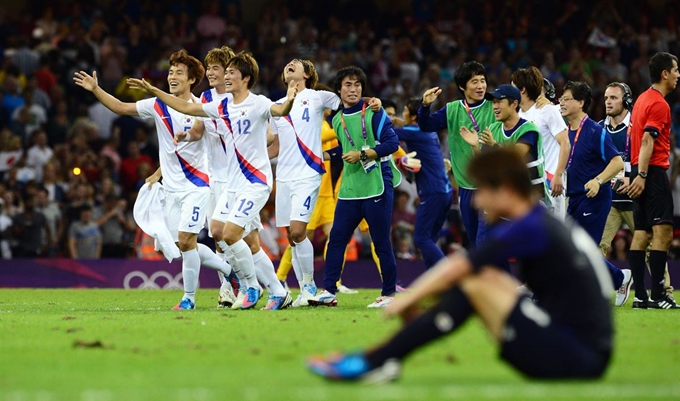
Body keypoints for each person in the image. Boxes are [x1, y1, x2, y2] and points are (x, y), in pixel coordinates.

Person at [307, 147, 613, 382]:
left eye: (482, 191)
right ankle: (384, 359)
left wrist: (405, 301)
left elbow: (458, 266)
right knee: (486, 278)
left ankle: (377, 360)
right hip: (584, 351)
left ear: (505, 190)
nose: (477, 202)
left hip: (574, 358)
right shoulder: (541, 222)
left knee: (473, 284)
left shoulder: (529, 227)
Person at [127, 51, 299, 310]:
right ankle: (233, 288)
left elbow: (273, 125)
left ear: (242, 77)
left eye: (221, 69)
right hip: (222, 180)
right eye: (212, 68)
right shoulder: (214, 102)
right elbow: (189, 116)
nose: (213, 73)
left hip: (249, 179)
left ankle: (265, 288)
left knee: (242, 239)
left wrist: (249, 140)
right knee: (219, 234)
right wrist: (182, 133)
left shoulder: (256, 103)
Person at [73, 49, 233, 310]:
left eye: (179, 72)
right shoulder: (158, 105)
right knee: (181, 245)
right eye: (170, 72)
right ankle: (229, 271)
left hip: (197, 184)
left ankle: (189, 298)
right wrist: (95, 89)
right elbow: (121, 107)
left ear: (192, 79)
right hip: (170, 188)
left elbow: (200, 135)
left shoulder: (201, 107)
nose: (172, 76)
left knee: (186, 239)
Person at [307, 66, 399, 308]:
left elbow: (392, 143)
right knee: (337, 239)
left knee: (380, 242)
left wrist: (364, 154)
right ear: (339, 90)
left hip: (377, 185)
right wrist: (327, 155)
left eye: (357, 84)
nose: (353, 89)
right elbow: (346, 146)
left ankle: (389, 294)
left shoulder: (374, 112)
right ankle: (328, 291)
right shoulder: (336, 119)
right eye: (348, 84)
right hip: (349, 189)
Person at [598, 82, 674, 305]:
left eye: (614, 98)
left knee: (651, 245)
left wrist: (629, 176)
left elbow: (643, 152)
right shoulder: (599, 128)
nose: (609, 102)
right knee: (596, 246)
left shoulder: (636, 124)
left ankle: (664, 291)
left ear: (626, 100)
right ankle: (614, 282)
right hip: (610, 201)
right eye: (606, 98)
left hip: (635, 196)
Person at [560, 81, 628, 298]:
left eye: (567, 99)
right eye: (561, 98)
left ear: (580, 103)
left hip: (594, 197)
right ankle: (620, 278)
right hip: (571, 198)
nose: (561, 102)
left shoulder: (595, 131)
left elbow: (617, 162)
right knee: (570, 249)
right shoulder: (562, 132)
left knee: (582, 250)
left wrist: (598, 180)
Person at [418, 61, 495, 248]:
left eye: (482, 81)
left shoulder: (495, 105)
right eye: (474, 82)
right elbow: (427, 125)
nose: (480, 86)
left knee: (487, 243)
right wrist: (425, 107)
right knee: (475, 240)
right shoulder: (452, 109)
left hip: (491, 185)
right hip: (466, 186)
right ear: (462, 86)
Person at [627, 52, 680, 309]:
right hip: (653, 172)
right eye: (676, 70)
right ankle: (658, 295)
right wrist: (644, 175)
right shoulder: (659, 104)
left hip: (639, 167)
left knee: (641, 233)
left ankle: (640, 297)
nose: (678, 75)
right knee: (663, 232)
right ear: (665, 74)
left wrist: (634, 171)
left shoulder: (641, 100)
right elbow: (648, 140)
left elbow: (632, 139)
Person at [393, 97, 452, 269]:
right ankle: (435, 284)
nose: (402, 113)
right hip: (445, 191)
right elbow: (410, 128)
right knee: (430, 240)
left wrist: (385, 120)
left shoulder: (414, 132)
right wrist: (401, 122)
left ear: (413, 116)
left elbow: (388, 134)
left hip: (432, 191)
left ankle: (452, 274)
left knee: (420, 238)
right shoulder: (428, 130)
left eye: (404, 110)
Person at [512, 67, 570, 218]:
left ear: (522, 90)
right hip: (529, 184)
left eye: (513, 87)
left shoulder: (547, 110)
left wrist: (558, 174)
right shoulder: (518, 115)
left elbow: (565, 143)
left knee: (553, 235)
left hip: (551, 181)